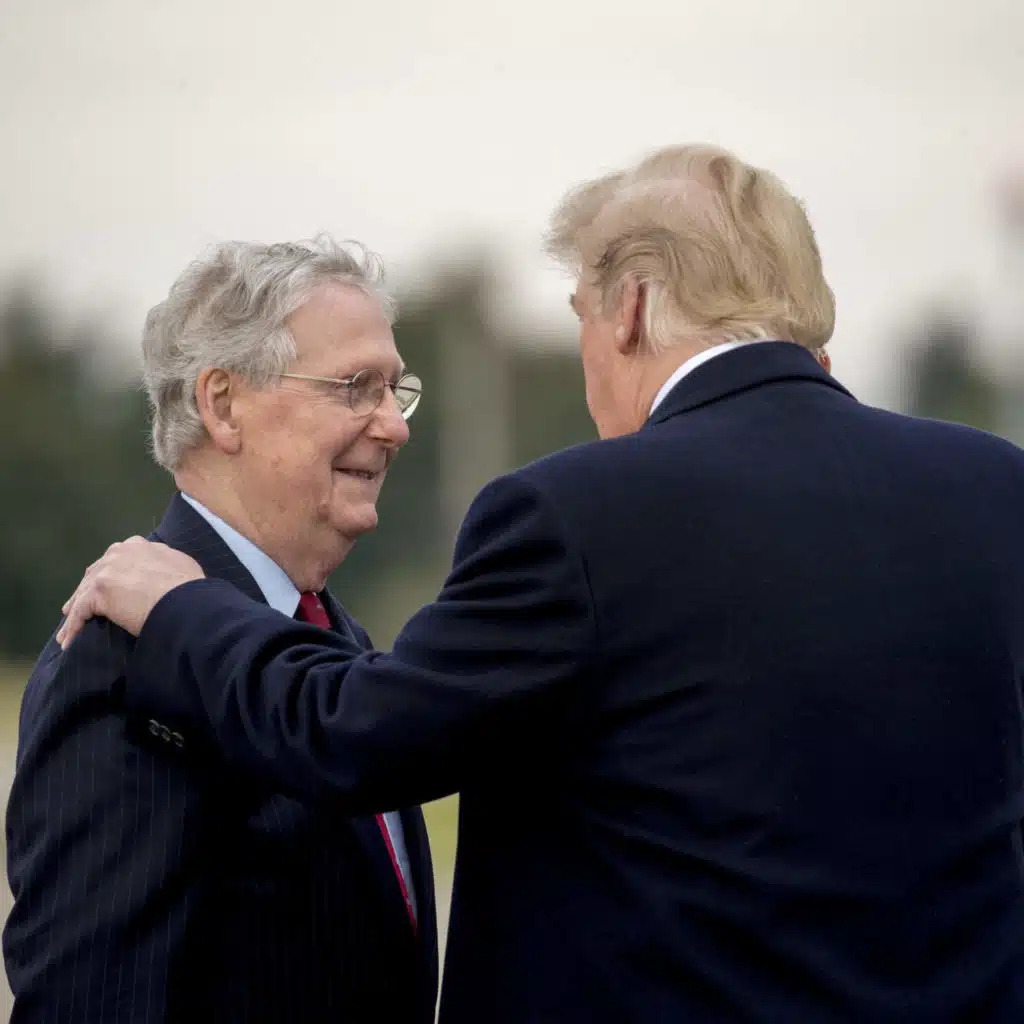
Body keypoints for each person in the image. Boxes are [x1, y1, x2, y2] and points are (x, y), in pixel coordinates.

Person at [57, 145, 1024, 1023]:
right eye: (356, 388)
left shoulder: (581, 514)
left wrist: (177, 610)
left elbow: (354, 733)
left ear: (631, 308)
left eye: (581, 322)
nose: (394, 425)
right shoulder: (995, 490)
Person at [4, 237, 438, 1022]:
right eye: (355, 387)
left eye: (393, 390)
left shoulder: (336, 640)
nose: (394, 427)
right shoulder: (122, 658)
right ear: (224, 405)